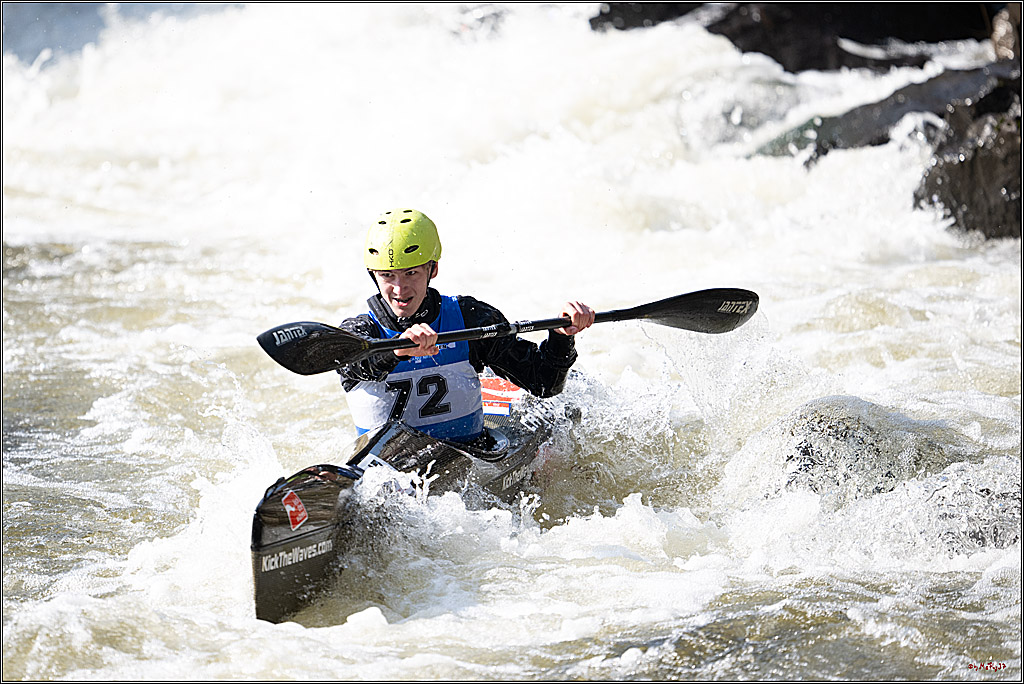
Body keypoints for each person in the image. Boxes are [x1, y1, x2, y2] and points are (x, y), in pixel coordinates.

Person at [338, 208, 595, 443]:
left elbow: (543, 383)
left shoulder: (469, 318)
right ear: (373, 274)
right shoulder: (357, 335)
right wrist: (399, 350)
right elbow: (354, 364)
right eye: (387, 275)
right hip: (383, 471)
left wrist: (562, 336)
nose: (399, 288)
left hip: (467, 456)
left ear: (433, 268)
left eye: (411, 273)